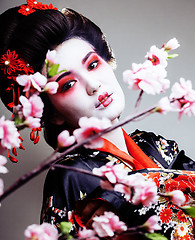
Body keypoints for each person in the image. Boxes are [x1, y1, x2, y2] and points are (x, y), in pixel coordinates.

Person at [0, 2, 194, 239]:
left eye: (93, 64)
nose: (93, 85)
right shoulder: (72, 174)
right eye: (68, 84)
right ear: (52, 113)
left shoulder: (154, 145)